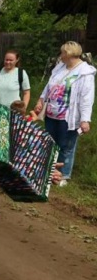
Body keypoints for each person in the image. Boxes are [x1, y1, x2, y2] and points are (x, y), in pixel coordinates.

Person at [34, 41, 95, 185]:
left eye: (62, 53)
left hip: (68, 117)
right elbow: (49, 86)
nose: (60, 56)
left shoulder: (85, 73)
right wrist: (41, 100)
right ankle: (49, 172)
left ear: (69, 54)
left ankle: (63, 175)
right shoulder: (60, 67)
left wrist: (85, 119)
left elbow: (87, 98)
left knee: (66, 146)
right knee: (50, 143)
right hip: (51, 114)